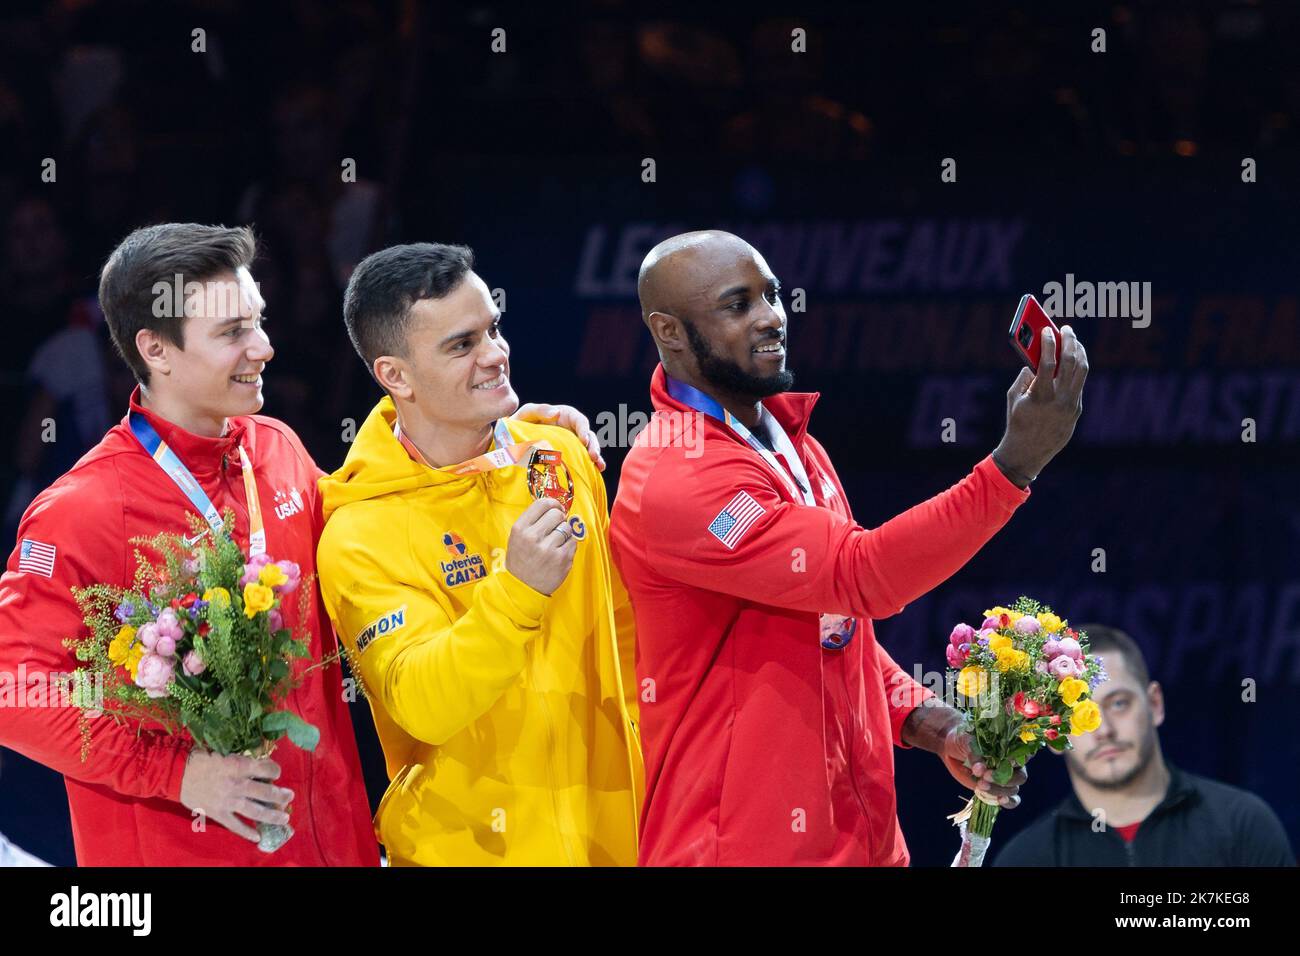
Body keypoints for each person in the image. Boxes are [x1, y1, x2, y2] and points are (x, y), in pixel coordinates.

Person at [0, 224, 597, 865]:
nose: (263, 347)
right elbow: (14, 692)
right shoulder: (81, 510)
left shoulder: (277, 449)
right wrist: (174, 773)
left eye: (258, 322)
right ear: (156, 349)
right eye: (232, 332)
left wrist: (497, 434)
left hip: (333, 848)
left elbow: (389, 504)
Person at [610, 230, 1089, 865]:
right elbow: (864, 576)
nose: (770, 319)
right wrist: (1013, 467)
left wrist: (928, 722)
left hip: (860, 845)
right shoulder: (676, 475)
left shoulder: (790, 442)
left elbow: (837, 626)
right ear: (669, 331)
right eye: (736, 305)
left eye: (772, 295)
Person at [316, 242, 642, 866]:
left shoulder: (561, 456)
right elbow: (424, 705)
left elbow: (627, 640)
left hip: (615, 843)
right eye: (461, 345)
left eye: (493, 328)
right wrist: (518, 590)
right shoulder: (360, 533)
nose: (495, 356)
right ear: (395, 376)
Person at [993, 625, 1295, 866]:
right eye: (1079, 714)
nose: (1104, 730)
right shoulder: (1026, 858)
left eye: (1119, 703)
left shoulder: (1243, 826)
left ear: (1155, 704)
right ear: (1052, 730)